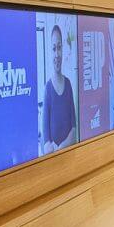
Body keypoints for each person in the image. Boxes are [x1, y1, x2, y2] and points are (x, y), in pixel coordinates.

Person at [42, 24, 77, 153]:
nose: (57, 54)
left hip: (69, 154)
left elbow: (74, 128)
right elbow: (46, 141)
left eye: (59, 48)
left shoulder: (68, 84)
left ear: (63, 49)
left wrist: (61, 148)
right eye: (53, 48)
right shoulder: (48, 89)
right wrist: (53, 152)